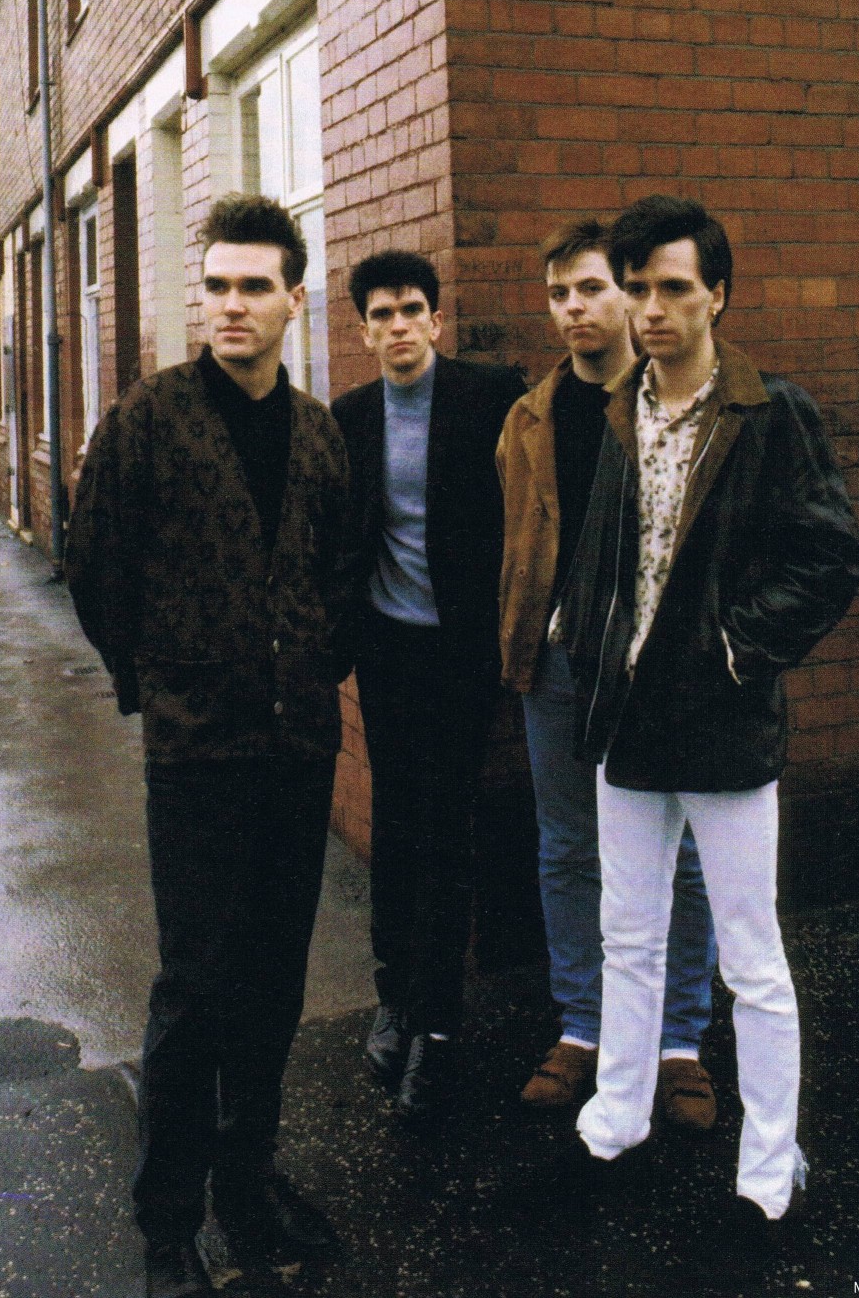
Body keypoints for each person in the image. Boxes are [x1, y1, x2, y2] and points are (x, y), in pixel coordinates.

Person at [559, 196, 859, 1249]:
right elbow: (606, 557)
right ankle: (615, 1123)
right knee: (628, 937)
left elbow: (830, 558)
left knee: (750, 958)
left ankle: (770, 1171)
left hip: (724, 721)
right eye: (637, 287)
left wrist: (735, 649)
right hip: (627, 721)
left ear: (717, 295)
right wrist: (587, 642)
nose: (650, 308)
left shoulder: (771, 413)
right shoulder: (620, 408)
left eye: (673, 288)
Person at [65, 195, 350, 1298]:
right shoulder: (150, 419)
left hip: (297, 744)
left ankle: (249, 1184)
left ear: (292, 298)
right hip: (197, 752)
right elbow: (95, 564)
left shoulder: (317, 432)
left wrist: (313, 663)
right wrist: (159, 680)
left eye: (253, 286)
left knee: (274, 980)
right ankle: (167, 1222)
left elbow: (335, 570)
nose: (231, 305)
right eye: (217, 285)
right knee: (195, 986)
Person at [497, 220, 718, 1129]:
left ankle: (677, 1042)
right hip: (558, 663)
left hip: (658, 668)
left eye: (591, 288)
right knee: (567, 847)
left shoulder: (672, 403)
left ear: (627, 295)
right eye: (558, 294)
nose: (574, 309)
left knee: (683, 854)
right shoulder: (530, 417)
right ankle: (583, 1026)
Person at [332, 250, 524, 1123]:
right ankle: (396, 998)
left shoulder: (490, 398)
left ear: (436, 320)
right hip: (386, 652)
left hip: (461, 655)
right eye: (382, 314)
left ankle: (438, 1026)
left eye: (412, 309)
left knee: (446, 830)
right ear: (363, 331)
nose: (399, 325)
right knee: (396, 826)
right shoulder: (351, 417)